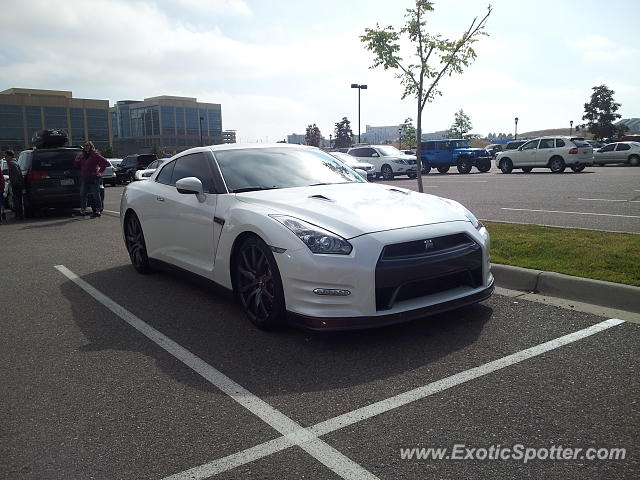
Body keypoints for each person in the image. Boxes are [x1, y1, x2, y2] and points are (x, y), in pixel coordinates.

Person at [75, 141, 109, 218]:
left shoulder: (95, 155)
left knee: (96, 195)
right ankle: (83, 211)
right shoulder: (83, 156)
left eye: (88, 145)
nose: (86, 147)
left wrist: (100, 172)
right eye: (85, 145)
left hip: (94, 177)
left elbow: (105, 162)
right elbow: (79, 166)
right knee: (82, 195)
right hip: (85, 178)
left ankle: (97, 211)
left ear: (91, 146)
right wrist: (77, 159)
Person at [5, 150, 23, 220]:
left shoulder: (12, 163)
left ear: (10, 156)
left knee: (16, 200)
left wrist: (14, 183)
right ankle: (19, 214)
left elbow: (17, 174)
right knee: (18, 200)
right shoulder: (14, 162)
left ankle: (19, 215)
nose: (5, 158)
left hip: (16, 185)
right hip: (17, 184)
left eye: (6, 156)